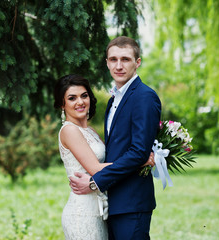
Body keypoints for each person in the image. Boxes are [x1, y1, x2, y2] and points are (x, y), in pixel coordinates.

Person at [69, 36, 161, 240]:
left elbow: (138, 152)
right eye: (113, 59)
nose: (118, 66)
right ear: (107, 62)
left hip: (132, 202)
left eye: (125, 59)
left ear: (137, 63)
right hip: (112, 202)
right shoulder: (113, 101)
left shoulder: (144, 97)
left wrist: (94, 182)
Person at [54, 74, 155, 240]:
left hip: (101, 210)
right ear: (62, 104)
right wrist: (141, 160)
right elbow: (94, 168)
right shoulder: (69, 130)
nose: (80, 102)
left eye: (84, 96)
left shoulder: (91, 132)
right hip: (83, 213)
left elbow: (111, 161)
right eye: (72, 98)